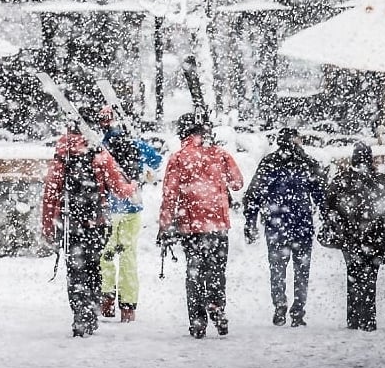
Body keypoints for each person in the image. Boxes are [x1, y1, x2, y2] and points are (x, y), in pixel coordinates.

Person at [39, 118, 138, 337]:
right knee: (94, 268)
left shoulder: (61, 157)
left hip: (71, 224)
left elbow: (50, 196)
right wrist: (133, 186)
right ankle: (91, 311)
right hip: (97, 224)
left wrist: (47, 226)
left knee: (75, 271)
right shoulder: (100, 155)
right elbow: (119, 190)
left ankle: (79, 315)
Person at [157, 113, 244, 339]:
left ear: (182, 133)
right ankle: (216, 304)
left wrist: (164, 225)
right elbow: (237, 183)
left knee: (194, 272)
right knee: (216, 269)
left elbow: (170, 195)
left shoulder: (178, 158)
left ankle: (197, 321)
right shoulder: (220, 154)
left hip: (191, 225)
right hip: (218, 224)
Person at [243, 127, 325, 327]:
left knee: (277, 269)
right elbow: (321, 194)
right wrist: (327, 218)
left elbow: (254, 194)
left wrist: (250, 220)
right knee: (302, 270)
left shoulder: (270, 162)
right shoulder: (307, 162)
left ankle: (280, 305)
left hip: (276, 224)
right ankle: (298, 311)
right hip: (302, 224)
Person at [97, 106, 163, 323]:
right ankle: (128, 307)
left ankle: (106, 298)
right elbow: (156, 160)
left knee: (105, 255)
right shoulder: (135, 144)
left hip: (108, 210)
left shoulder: (100, 147)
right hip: (132, 208)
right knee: (128, 257)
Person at [322, 141, 385, 332]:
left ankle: (353, 318)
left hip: (350, 238)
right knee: (370, 278)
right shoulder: (381, 181)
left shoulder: (342, 181)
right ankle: (368, 319)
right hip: (375, 238)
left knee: (353, 275)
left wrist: (339, 225)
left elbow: (328, 207)